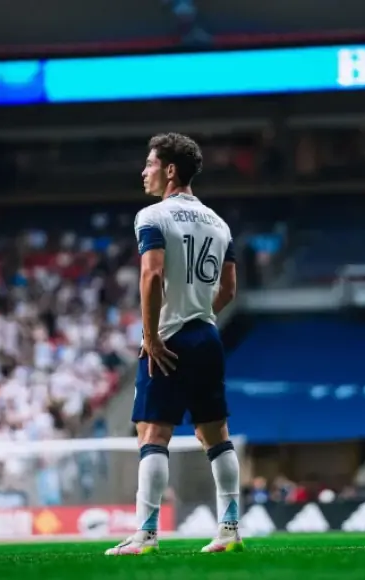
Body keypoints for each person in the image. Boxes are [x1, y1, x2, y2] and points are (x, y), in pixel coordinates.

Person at [106, 133, 242, 556]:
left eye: (149, 163)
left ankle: (145, 534)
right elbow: (229, 289)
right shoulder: (219, 223)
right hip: (207, 334)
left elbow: (151, 276)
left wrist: (151, 336)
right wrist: (200, 312)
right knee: (216, 435)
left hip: (168, 338)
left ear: (169, 170)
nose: (143, 170)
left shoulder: (152, 216)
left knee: (152, 432)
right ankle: (230, 529)